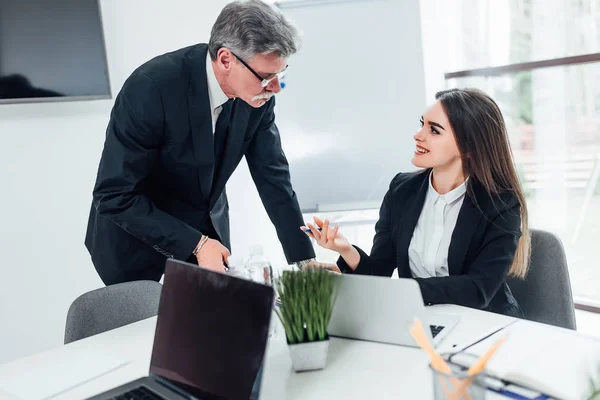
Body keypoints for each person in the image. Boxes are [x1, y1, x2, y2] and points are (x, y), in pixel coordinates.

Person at [86, 0, 315, 285]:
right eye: (267, 76)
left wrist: (305, 259)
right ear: (226, 59)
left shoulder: (258, 97)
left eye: (281, 75)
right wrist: (196, 243)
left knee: (213, 325)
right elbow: (113, 195)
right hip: (136, 243)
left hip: (206, 237)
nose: (275, 87)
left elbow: (274, 179)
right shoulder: (150, 89)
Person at [303, 88, 530, 317]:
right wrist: (345, 249)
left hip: (486, 323)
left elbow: (478, 290)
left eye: (434, 130)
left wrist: (401, 291)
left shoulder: (500, 203)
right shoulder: (402, 190)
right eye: (422, 124)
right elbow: (379, 271)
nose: (418, 135)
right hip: (419, 320)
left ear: (468, 147)